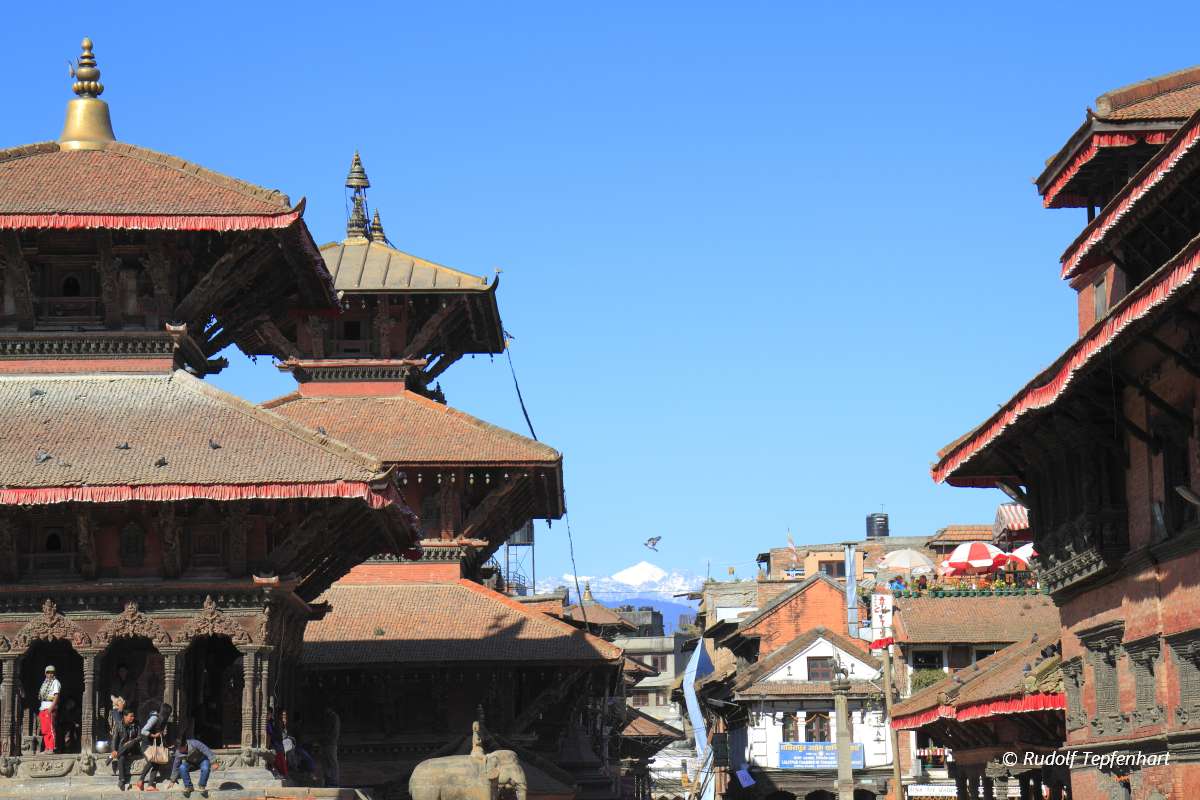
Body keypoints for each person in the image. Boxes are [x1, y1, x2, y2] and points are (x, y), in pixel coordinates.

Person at [136, 702, 173, 791]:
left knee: (157, 763)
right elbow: (143, 731)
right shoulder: (154, 718)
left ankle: (150, 785)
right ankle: (140, 780)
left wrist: (167, 745)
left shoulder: (163, 721)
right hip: (146, 745)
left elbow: (160, 734)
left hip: (154, 746)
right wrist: (153, 735)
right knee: (152, 761)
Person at [113, 707, 141, 791]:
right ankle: (121, 780)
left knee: (130, 743)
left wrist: (131, 741)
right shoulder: (119, 725)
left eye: (133, 716)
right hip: (123, 749)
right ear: (125, 716)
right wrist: (114, 749)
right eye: (131, 716)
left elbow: (139, 737)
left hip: (134, 748)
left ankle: (113, 758)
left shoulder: (136, 724)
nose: (133, 718)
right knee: (121, 758)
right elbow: (115, 739)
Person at [37, 665, 60, 753]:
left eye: (52, 672)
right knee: (44, 729)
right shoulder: (45, 683)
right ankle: (47, 747)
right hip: (43, 707)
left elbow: (56, 696)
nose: (50, 674)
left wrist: (51, 708)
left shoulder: (55, 682)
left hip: (49, 707)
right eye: (48, 672)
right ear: (45, 673)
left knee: (50, 728)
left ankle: (51, 748)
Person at [320, 707, 340, 787]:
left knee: (332, 763)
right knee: (325, 763)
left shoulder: (334, 717)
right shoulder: (328, 717)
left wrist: (325, 739)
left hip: (331, 743)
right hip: (326, 743)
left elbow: (333, 732)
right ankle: (328, 779)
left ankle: (334, 781)